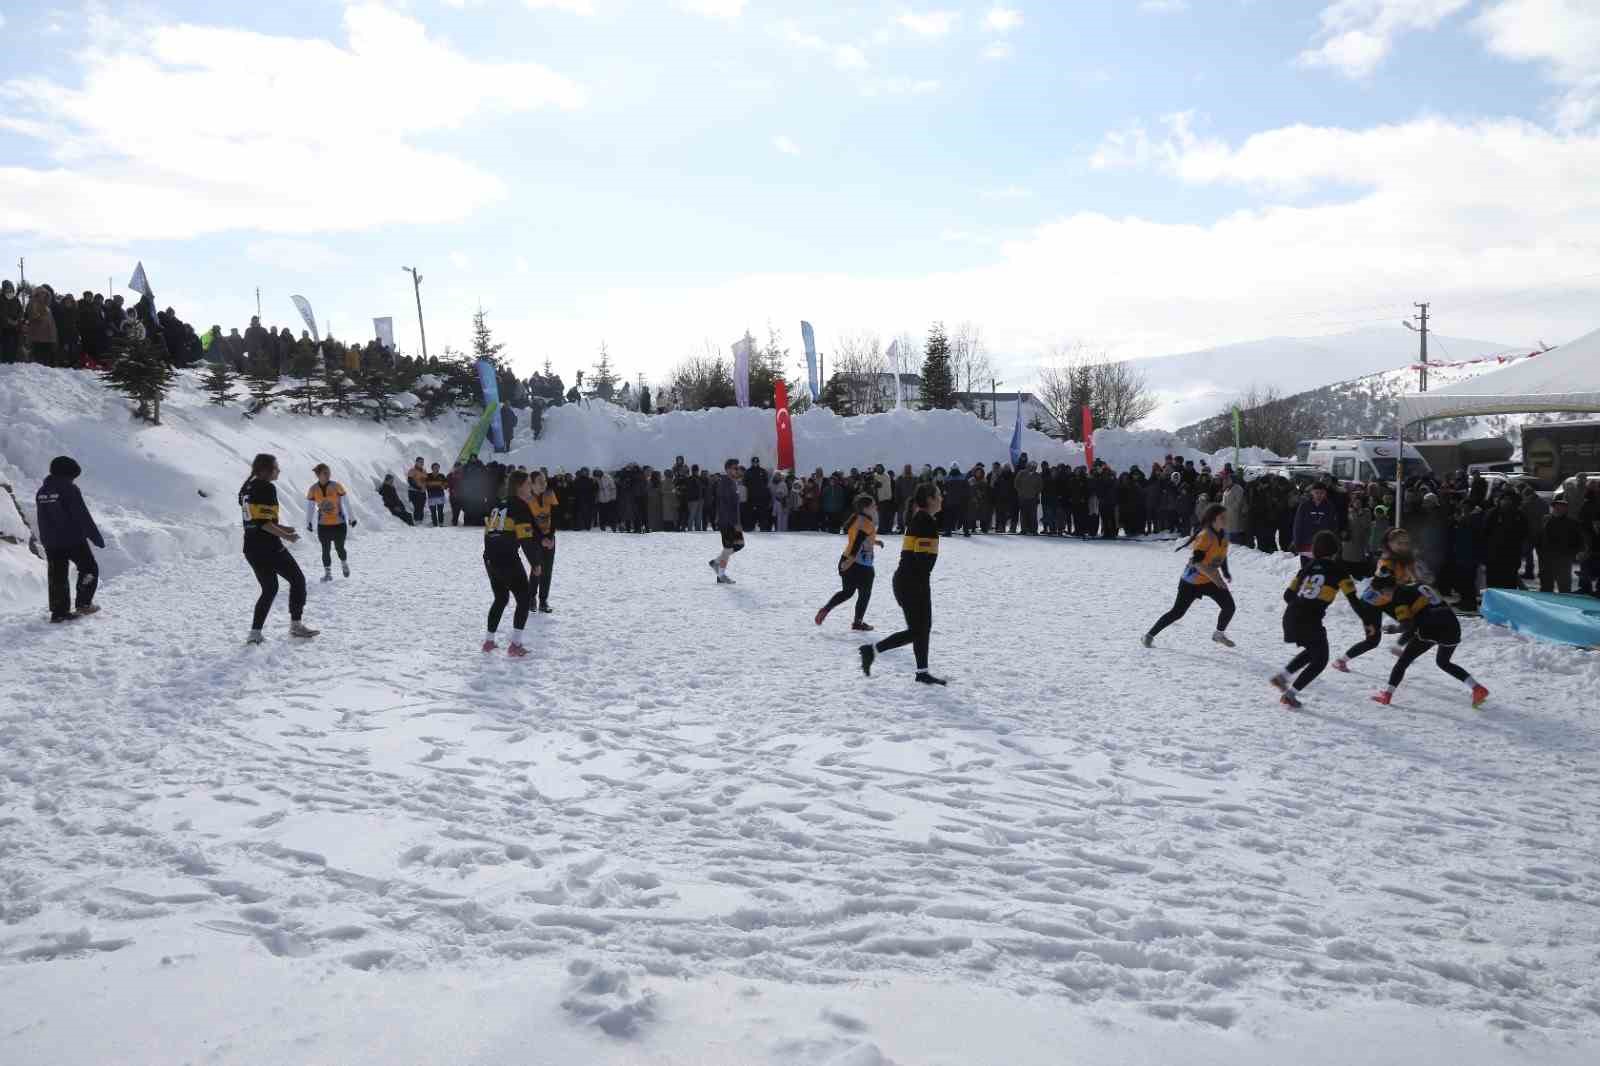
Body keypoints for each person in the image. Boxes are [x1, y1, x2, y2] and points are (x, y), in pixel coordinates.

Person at [1270, 531, 1370, 708]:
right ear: (1336, 551)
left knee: (1313, 650)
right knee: (1321, 658)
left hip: (1291, 616)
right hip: (1310, 620)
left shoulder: (1307, 567)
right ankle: (1290, 695)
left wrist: (1304, 601)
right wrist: (1367, 621)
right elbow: (1354, 601)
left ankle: (1282, 677)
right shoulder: (1340, 571)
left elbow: (1287, 596)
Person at [859, 482, 945, 685]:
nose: (941, 498)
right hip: (913, 582)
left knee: (920, 629)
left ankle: (921, 672)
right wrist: (921, 584)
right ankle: (873, 651)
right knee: (919, 629)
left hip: (909, 581)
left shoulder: (922, 518)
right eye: (939, 495)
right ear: (930, 499)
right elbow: (921, 558)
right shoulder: (925, 521)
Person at [1369, 576, 1489, 708]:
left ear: (1385, 589)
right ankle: (1477, 688)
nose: (1382, 596)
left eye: (1380, 593)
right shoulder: (1417, 584)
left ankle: (1387, 695)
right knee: (1443, 662)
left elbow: (1407, 625)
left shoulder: (1399, 597)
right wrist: (1401, 641)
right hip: (1452, 625)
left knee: (1403, 661)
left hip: (1432, 629)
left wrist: (1394, 629)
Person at [239, 453, 318, 643]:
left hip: (251, 548)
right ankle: (296, 626)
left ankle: (255, 634)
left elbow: (255, 520)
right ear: (266, 470)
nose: (279, 470)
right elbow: (264, 523)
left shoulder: (247, 487)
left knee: (270, 588)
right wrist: (286, 536)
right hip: (268, 547)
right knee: (298, 580)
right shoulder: (267, 487)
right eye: (276, 467)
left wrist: (282, 528)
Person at [1143, 503, 1236, 648]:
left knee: (1229, 606)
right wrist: (1217, 580)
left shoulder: (1224, 535)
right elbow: (1197, 563)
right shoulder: (1205, 536)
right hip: (1191, 582)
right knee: (1177, 612)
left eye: (1226, 517)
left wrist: (1225, 572)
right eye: (1222, 517)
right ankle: (1149, 635)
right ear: (1213, 519)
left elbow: (1221, 555)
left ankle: (1218, 634)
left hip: (1209, 579)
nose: (1226, 520)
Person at [35, 455, 105, 623]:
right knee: (89, 568)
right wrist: (95, 537)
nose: (73, 480)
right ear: (66, 473)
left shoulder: (42, 491)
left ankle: (59, 612)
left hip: (50, 541)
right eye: (72, 476)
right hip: (72, 539)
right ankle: (84, 604)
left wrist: (46, 538)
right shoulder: (69, 489)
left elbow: (43, 518)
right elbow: (81, 515)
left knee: (57, 575)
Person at [482, 470, 540, 657]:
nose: (531, 487)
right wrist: (536, 564)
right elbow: (525, 539)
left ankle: (489, 642)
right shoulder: (520, 506)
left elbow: (490, 533)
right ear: (520, 486)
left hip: (490, 557)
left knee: (501, 598)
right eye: (529, 483)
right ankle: (515, 645)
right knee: (524, 599)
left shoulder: (498, 504)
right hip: (506, 558)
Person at [815, 494, 882, 632]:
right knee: (865, 594)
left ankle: (826, 608)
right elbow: (857, 543)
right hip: (860, 564)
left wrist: (875, 541)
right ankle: (858, 622)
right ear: (865, 508)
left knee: (847, 592)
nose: (875, 507)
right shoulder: (867, 523)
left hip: (846, 558)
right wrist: (849, 562)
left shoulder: (856, 518)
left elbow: (859, 537)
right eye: (873, 505)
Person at [304, 463, 354, 582]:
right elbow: (310, 507)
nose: (328, 475)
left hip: (339, 524)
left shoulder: (336, 486)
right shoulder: (313, 489)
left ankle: (344, 563)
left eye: (329, 472)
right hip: (323, 525)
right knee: (325, 550)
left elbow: (346, 502)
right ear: (318, 475)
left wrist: (352, 518)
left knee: (339, 548)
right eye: (325, 473)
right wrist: (308, 522)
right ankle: (328, 574)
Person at [1536, 496, 1585, 594]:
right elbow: (1538, 537)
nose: (1558, 509)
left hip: (1563, 559)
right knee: (1546, 586)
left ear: (1566, 509)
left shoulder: (1572, 523)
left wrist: (1574, 553)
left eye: (1561, 506)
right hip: (1546, 558)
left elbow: (1579, 540)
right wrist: (1540, 553)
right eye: (1556, 506)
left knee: (1564, 587)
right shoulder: (1545, 520)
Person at [528, 470, 558, 613]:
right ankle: (531, 598)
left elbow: (555, 515)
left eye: (544, 481)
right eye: (540, 481)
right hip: (534, 538)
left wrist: (550, 537)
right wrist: (541, 539)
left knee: (547, 570)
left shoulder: (550, 494)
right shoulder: (527, 498)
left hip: (549, 537)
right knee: (536, 568)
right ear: (532, 484)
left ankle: (543, 600)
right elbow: (529, 522)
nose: (544, 484)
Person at [709, 459, 744, 585]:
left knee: (739, 545)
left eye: (737, 468)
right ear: (728, 469)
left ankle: (716, 563)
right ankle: (721, 575)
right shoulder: (724, 483)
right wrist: (734, 523)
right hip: (727, 521)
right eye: (735, 468)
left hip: (733, 521)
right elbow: (726, 506)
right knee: (728, 548)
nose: (737, 470)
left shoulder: (732, 482)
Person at [424, 463, 448, 528]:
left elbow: (446, 484)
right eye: (435, 467)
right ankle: (434, 524)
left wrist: (445, 486)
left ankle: (441, 524)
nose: (436, 468)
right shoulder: (428, 476)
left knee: (440, 511)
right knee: (433, 511)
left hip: (440, 496)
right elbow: (425, 484)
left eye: (437, 467)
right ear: (432, 468)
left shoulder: (442, 476)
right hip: (431, 497)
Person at [406, 457, 428, 524]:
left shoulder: (424, 471)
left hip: (422, 492)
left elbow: (426, 481)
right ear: (416, 462)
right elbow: (410, 481)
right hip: (414, 491)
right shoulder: (412, 470)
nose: (422, 463)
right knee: (417, 506)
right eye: (420, 462)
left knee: (421, 506)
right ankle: (416, 521)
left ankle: (420, 521)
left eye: (422, 462)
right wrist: (419, 488)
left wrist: (425, 487)